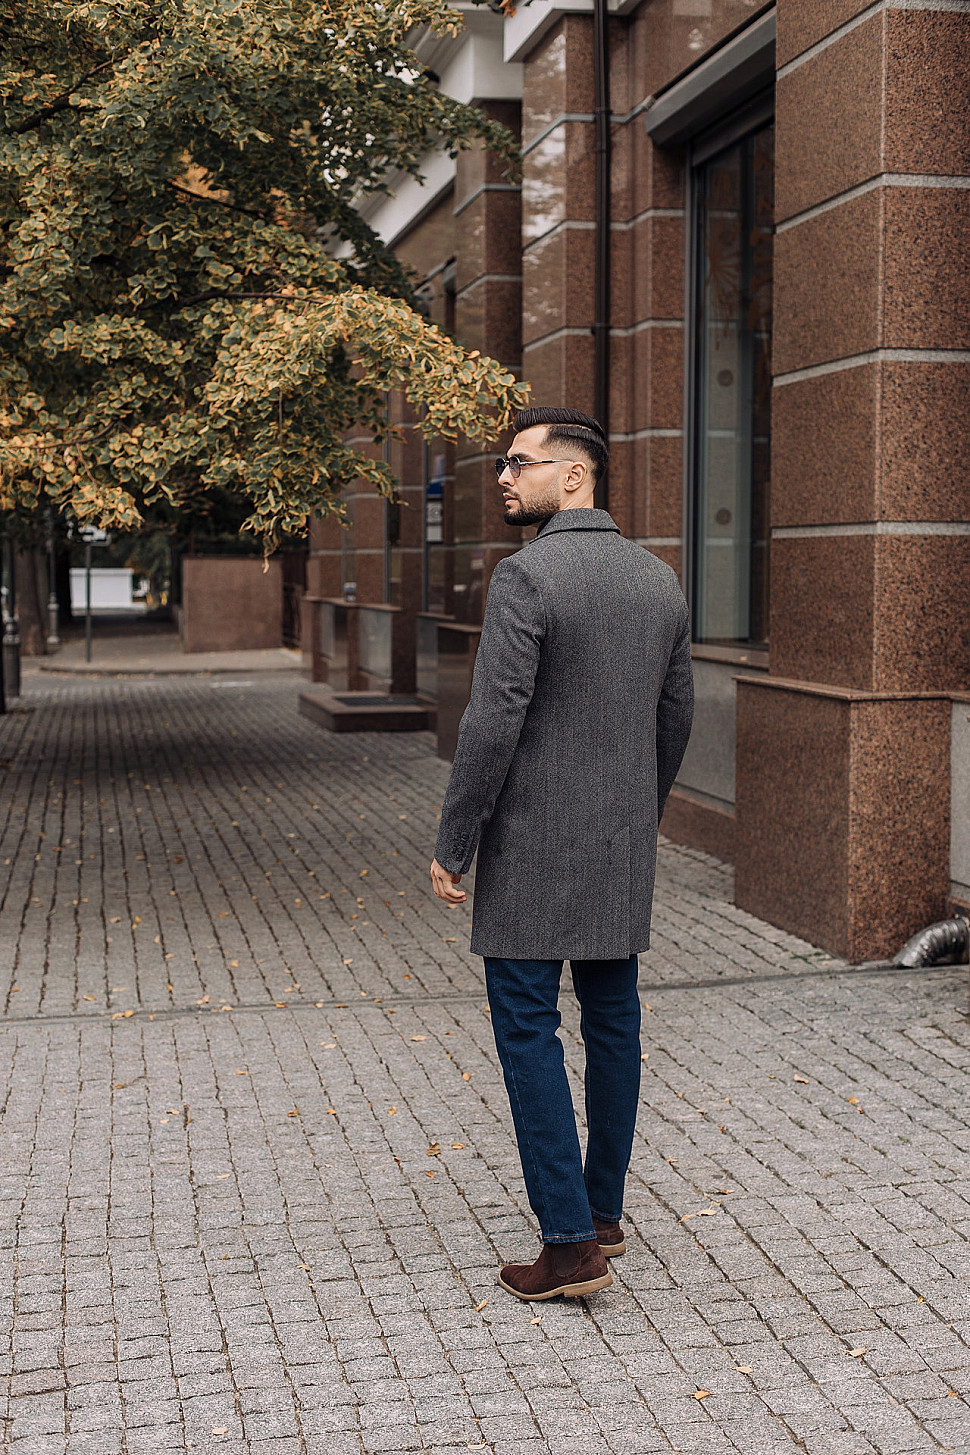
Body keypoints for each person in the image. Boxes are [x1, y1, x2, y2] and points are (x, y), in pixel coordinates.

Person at [430, 405, 694, 1301]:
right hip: (620, 844)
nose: (504, 477)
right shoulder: (659, 580)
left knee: (527, 1027)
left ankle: (570, 1245)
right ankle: (603, 1213)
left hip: (533, 850)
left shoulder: (527, 576)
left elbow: (492, 721)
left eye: (520, 462)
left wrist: (456, 841)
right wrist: (637, 814)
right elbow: (675, 717)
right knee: (614, 1022)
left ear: (573, 475)